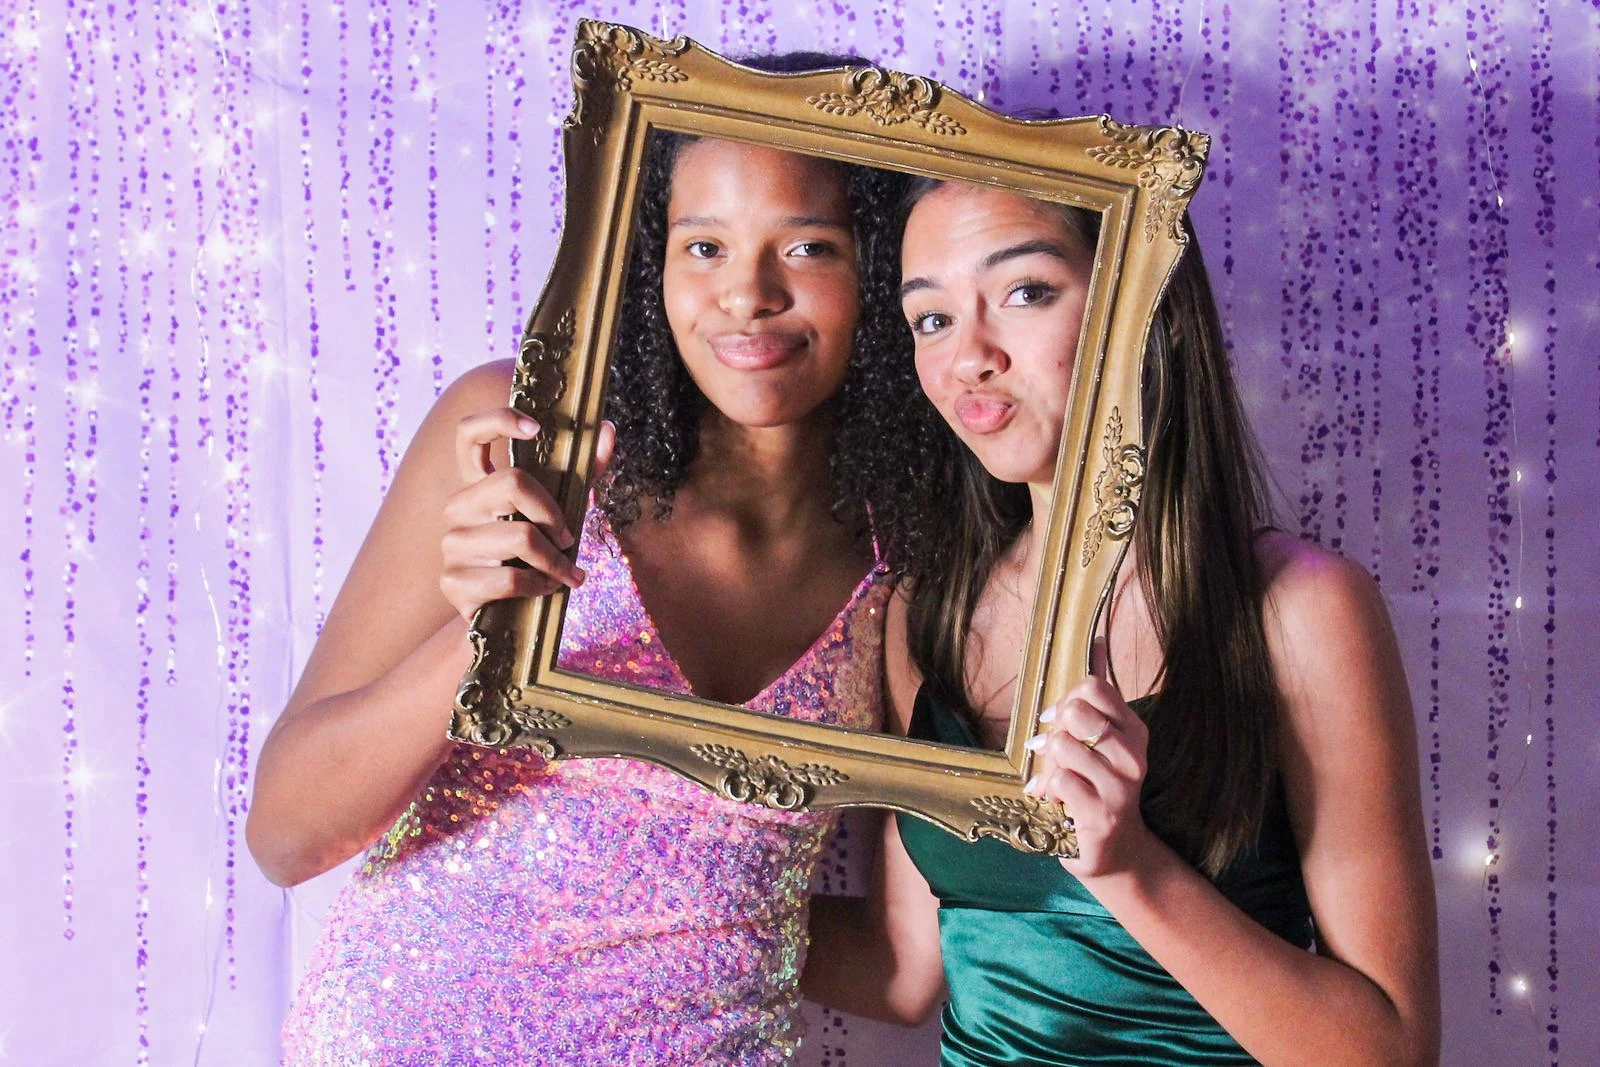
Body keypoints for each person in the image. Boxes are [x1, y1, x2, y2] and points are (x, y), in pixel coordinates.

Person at [247, 52, 926, 1063]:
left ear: (882, 270)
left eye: (811, 247)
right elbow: (288, 835)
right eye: (703, 246)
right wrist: (486, 635)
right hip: (406, 1037)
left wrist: (713, 925)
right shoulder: (517, 437)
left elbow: (902, 975)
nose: (747, 294)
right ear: (647, 261)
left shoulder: (909, 557)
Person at [801, 178, 1441, 1065]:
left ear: (1143, 303)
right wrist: (656, 894)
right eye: (931, 319)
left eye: (1024, 292)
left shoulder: (1299, 608)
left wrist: (1130, 867)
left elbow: (1392, 1049)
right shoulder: (926, 610)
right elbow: (905, 969)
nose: (968, 357)